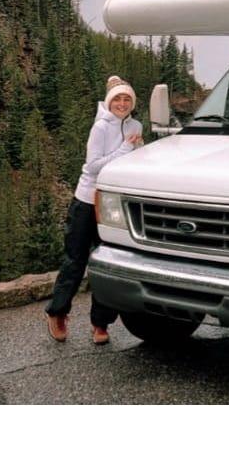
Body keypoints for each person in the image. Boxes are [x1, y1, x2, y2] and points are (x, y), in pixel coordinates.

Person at [45, 75, 144, 345]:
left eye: (127, 99)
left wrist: (139, 149)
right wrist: (125, 148)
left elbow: (134, 160)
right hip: (87, 200)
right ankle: (58, 312)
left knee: (106, 263)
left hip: (113, 204)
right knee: (75, 261)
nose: (122, 104)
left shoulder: (136, 124)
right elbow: (92, 166)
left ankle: (100, 323)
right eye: (118, 99)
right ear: (109, 102)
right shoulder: (100, 127)